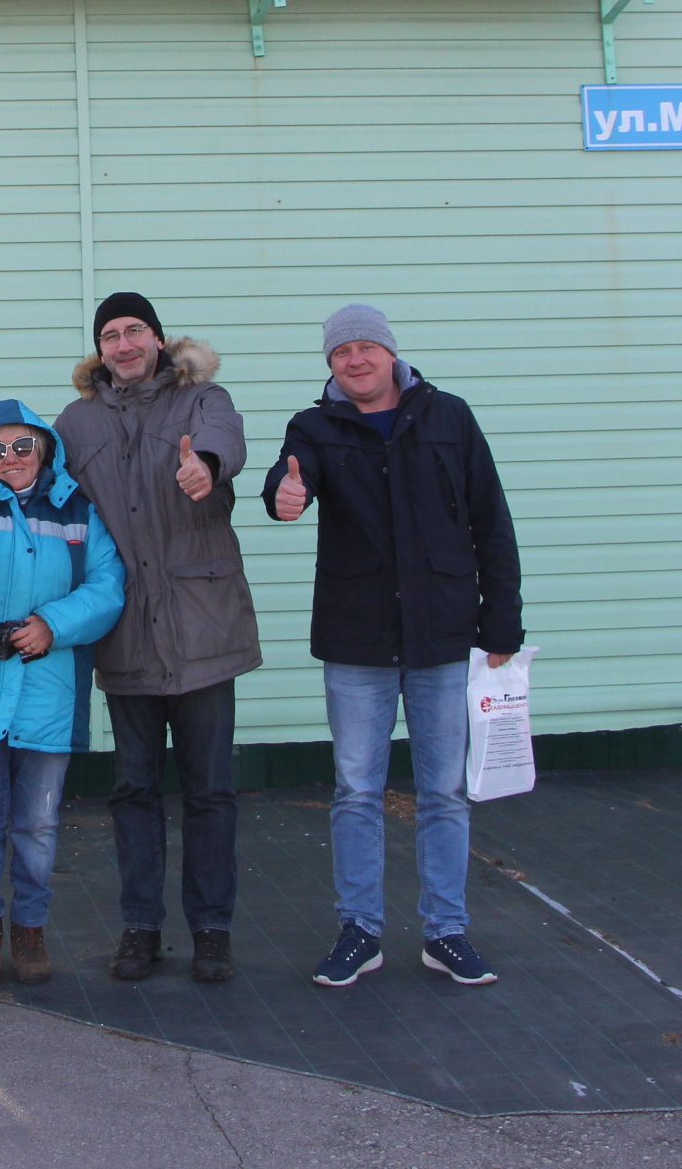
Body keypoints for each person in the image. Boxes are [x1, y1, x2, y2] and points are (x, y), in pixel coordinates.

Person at [261, 304, 523, 989]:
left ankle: (446, 932)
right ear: (330, 364)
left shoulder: (449, 416)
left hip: (443, 632)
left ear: (390, 353)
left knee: (444, 791)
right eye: (340, 352)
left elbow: (491, 519)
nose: (354, 360)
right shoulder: (314, 425)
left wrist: (502, 622)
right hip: (357, 638)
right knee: (356, 790)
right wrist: (285, 494)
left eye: (365, 348)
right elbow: (289, 479)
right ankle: (360, 931)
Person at [55, 291, 257, 984]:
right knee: (134, 789)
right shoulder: (76, 423)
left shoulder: (202, 401)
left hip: (203, 629)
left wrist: (207, 464)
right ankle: (140, 926)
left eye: (135, 329)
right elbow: (38, 487)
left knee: (211, 791)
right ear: (99, 350)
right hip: (128, 634)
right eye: (110, 334)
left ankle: (212, 930)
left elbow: (225, 438)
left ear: (159, 339)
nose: (124, 343)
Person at [0, 403, 124, 985]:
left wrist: (53, 625)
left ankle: (30, 929)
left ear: (44, 449)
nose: (10, 458)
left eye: (22, 446)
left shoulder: (78, 511)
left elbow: (109, 586)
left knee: (38, 825)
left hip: (48, 693)